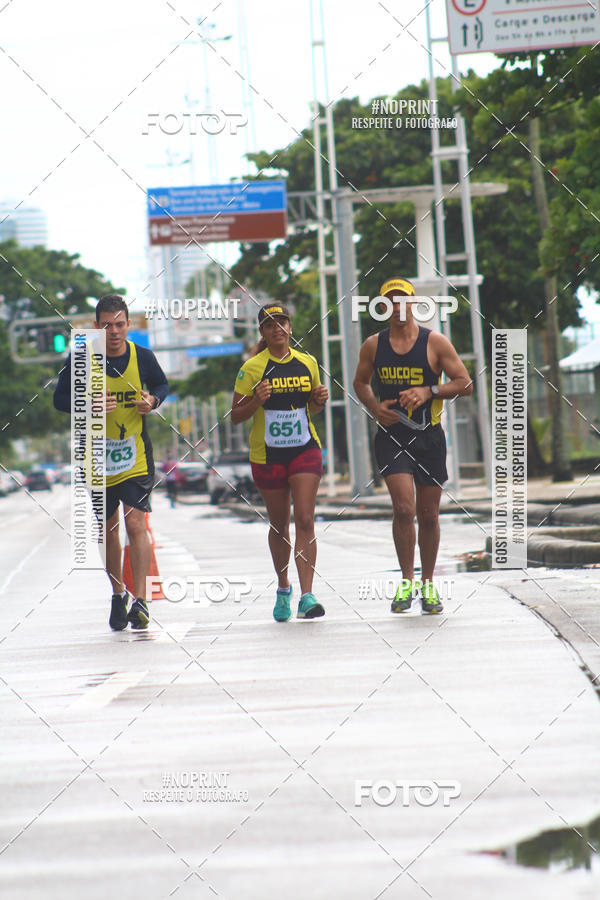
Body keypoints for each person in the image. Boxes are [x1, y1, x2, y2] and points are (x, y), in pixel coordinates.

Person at [353, 277, 473, 614]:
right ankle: (406, 582)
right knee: (404, 509)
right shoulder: (373, 346)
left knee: (429, 515)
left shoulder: (434, 343)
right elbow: (359, 382)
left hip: (429, 436)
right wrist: (375, 408)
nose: (397, 307)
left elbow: (465, 383)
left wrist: (428, 391)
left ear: (413, 304)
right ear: (383, 308)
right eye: (389, 302)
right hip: (392, 436)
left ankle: (429, 584)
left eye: (402, 301)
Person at [53, 294, 169, 630]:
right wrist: (87, 404)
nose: (113, 331)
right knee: (109, 529)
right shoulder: (80, 359)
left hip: (135, 457)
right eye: (106, 325)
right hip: (97, 459)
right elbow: (59, 399)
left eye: (119, 324)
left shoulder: (142, 357)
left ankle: (142, 600)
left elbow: (161, 384)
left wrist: (153, 399)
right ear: (96, 326)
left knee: (136, 525)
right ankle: (118, 595)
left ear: (128, 325)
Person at [231, 303, 329, 621]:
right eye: (270, 324)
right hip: (268, 454)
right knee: (279, 525)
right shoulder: (252, 368)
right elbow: (235, 416)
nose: (277, 329)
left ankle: (308, 595)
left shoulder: (308, 362)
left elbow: (312, 408)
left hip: (304, 448)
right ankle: (284, 587)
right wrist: (256, 400)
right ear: (262, 331)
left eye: (282, 322)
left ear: (290, 327)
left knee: (304, 518)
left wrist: (318, 400)